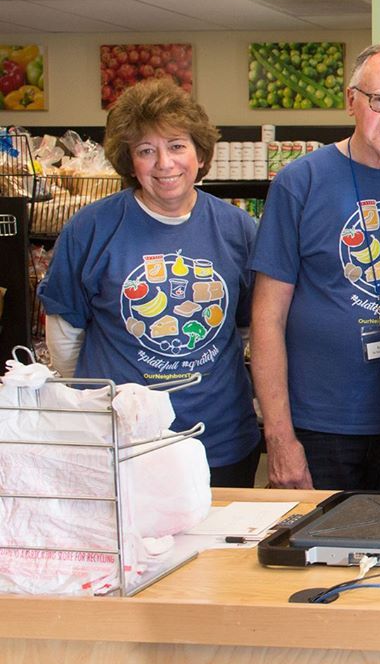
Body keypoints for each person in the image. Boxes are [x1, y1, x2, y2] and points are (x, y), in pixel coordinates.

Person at [250, 42, 380, 490]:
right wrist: (280, 436)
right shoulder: (300, 182)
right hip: (321, 423)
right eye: (379, 99)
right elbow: (267, 318)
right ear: (351, 100)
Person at [39, 78, 261, 486]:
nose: (164, 163)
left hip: (220, 439)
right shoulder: (91, 228)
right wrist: (97, 403)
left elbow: (245, 325)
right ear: (129, 161)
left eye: (177, 145)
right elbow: (65, 337)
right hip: (122, 442)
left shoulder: (238, 228)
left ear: (199, 153)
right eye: (146, 151)